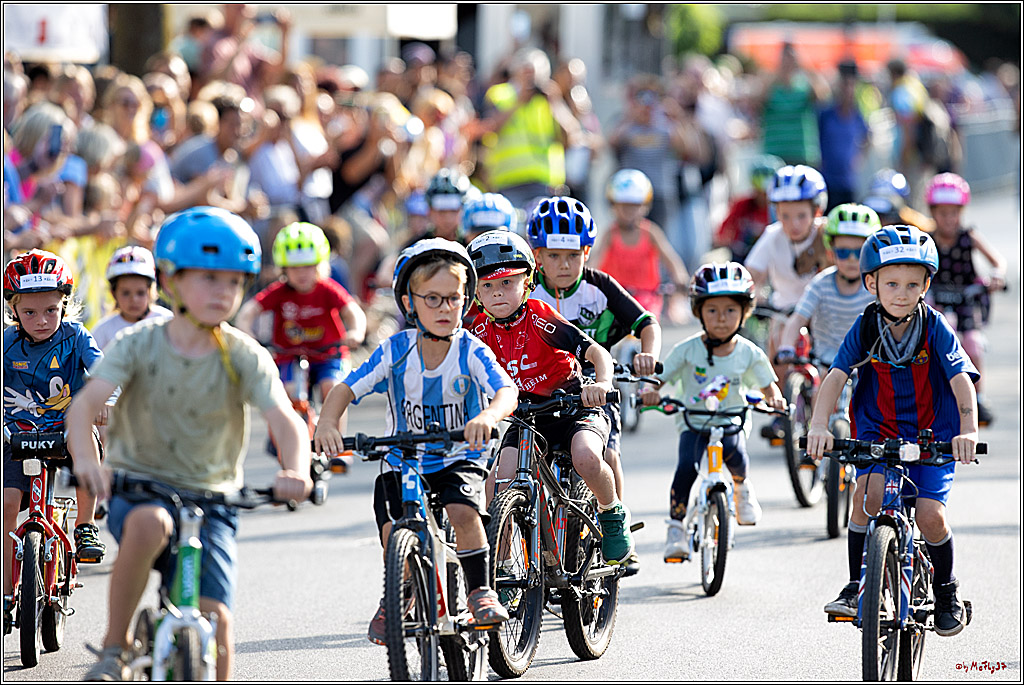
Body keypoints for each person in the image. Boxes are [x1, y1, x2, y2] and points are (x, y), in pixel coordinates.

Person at [67, 207, 312, 680]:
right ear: (172, 281)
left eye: (234, 282)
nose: (224, 293)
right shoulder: (140, 342)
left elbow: (284, 419)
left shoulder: (243, 354)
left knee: (217, 619)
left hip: (214, 498)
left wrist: (296, 470)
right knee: (149, 523)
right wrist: (86, 462)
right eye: (209, 279)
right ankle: (113, 649)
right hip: (140, 487)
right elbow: (84, 405)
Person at [313, 238, 518, 644]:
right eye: (433, 299)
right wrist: (327, 423)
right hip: (404, 457)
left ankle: (480, 589)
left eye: (454, 299)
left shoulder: (470, 350)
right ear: (409, 303)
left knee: (462, 511)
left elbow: (505, 391)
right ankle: (399, 591)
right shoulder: (395, 350)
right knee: (392, 521)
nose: (445, 309)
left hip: (459, 453)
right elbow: (345, 388)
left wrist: (487, 416)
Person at [805, 225, 979, 638]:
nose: (901, 293)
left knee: (930, 516)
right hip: (877, 429)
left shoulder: (934, 326)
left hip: (933, 433)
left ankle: (946, 591)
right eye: (892, 283)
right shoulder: (866, 327)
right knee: (865, 500)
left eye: (912, 284)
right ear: (872, 283)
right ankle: (854, 586)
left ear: (926, 286)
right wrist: (818, 425)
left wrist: (968, 430)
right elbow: (835, 376)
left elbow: (960, 379)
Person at [466, 229, 635, 567]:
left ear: (527, 282)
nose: (497, 293)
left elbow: (597, 353)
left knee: (586, 458)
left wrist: (600, 384)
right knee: (497, 484)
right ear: (475, 293)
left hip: (572, 407)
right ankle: (502, 572)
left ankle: (612, 512)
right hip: (526, 418)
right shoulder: (478, 333)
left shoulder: (539, 316)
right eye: (487, 286)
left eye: (507, 283)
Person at [3, 250, 108, 635]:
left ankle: (84, 525)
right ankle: (4, 590)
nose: (42, 320)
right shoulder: (6, 343)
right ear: (14, 311)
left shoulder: (76, 337)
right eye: (29, 312)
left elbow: (104, 373)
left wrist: (103, 401)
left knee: (88, 442)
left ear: (65, 304)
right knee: (9, 503)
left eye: (51, 309)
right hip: (15, 432)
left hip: (67, 428)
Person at [650, 263, 785, 560]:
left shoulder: (749, 352)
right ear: (698, 312)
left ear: (744, 314)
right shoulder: (687, 350)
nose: (721, 318)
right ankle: (676, 526)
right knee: (686, 467)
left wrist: (774, 398)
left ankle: (742, 488)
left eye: (730, 311)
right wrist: (650, 393)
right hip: (694, 422)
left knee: (737, 456)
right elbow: (662, 377)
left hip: (731, 421)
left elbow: (768, 383)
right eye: (712, 310)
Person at [236, 221, 365, 437]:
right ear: (283, 269)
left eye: (308, 266)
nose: (302, 273)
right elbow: (248, 312)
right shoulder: (279, 292)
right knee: (286, 393)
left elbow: (353, 311)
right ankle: (288, 440)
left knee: (333, 389)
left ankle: (336, 443)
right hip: (289, 355)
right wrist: (248, 334)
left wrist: (355, 332)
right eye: (294, 267)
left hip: (328, 354)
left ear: (320, 265)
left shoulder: (327, 289)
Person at [923, 173, 1006, 426]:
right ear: (933, 212)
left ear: (962, 212)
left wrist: (997, 276)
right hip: (935, 297)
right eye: (942, 213)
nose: (949, 219)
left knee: (972, 344)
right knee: (930, 338)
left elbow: (997, 261)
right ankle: (926, 392)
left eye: (954, 213)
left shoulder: (968, 237)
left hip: (966, 299)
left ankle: (978, 398)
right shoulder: (927, 240)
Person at [744, 165, 832, 366]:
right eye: (785, 216)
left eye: (801, 216)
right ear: (776, 213)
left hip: (823, 311)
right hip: (784, 309)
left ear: (817, 211)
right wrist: (752, 292)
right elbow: (751, 276)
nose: (794, 224)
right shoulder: (772, 236)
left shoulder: (826, 235)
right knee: (775, 362)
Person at [776, 203, 879, 372]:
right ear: (831, 252)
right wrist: (786, 346)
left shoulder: (876, 286)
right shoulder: (821, 283)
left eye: (859, 252)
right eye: (843, 252)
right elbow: (798, 318)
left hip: (866, 360)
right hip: (827, 360)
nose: (852, 259)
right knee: (824, 389)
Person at [478, 48, 579, 209]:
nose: (531, 80)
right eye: (526, 73)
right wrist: (519, 101)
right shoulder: (500, 94)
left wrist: (555, 103)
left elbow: (571, 137)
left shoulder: (549, 100)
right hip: (508, 182)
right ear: (515, 73)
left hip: (545, 184)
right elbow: (490, 128)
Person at [592, 169, 689, 320]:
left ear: (646, 206)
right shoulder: (610, 234)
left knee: (645, 326)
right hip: (613, 299)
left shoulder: (650, 233)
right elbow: (595, 260)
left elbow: (671, 259)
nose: (629, 211)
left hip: (647, 299)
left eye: (635, 206)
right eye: (623, 206)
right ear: (613, 206)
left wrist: (680, 278)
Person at [90, 245, 173, 350]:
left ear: (151, 291)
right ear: (113, 293)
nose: (134, 300)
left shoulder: (166, 321)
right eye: (126, 293)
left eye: (140, 293)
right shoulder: (102, 332)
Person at [817, 62, 870, 211]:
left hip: (848, 181)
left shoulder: (857, 114)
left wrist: (858, 158)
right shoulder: (826, 114)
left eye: (851, 86)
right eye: (844, 85)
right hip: (827, 179)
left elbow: (866, 137)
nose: (848, 90)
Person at [714, 154, 783, 263]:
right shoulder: (742, 205)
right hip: (742, 257)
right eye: (759, 191)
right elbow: (723, 231)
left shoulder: (778, 209)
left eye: (767, 193)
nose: (763, 196)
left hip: (770, 257)